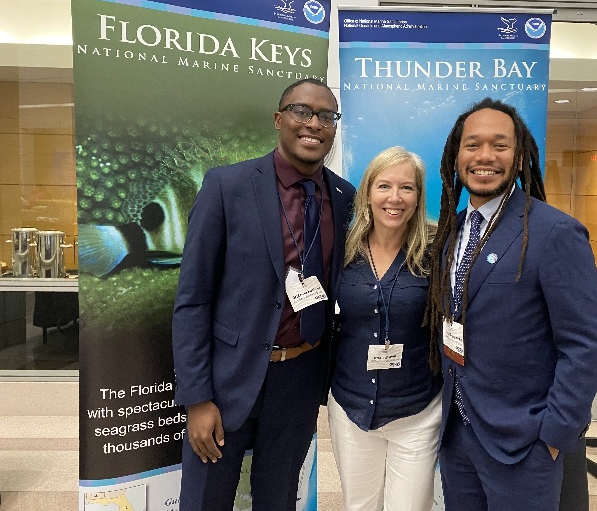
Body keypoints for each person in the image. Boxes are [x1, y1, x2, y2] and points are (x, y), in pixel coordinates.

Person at [172, 78, 355, 511]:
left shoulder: (345, 197)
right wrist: (197, 398)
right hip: (226, 379)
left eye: (326, 116)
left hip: (299, 378)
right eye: (301, 111)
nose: (313, 123)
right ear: (278, 119)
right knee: (206, 500)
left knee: (278, 499)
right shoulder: (227, 186)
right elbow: (193, 298)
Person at [425, 98, 597, 510]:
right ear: (456, 157)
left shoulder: (554, 233)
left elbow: (585, 344)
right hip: (459, 433)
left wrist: (555, 436)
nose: (485, 156)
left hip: (526, 442)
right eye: (472, 145)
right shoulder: (451, 233)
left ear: (520, 156)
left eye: (500, 145)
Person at [328, 146, 442, 511]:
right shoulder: (341, 250)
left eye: (407, 188)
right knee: (359, 506)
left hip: (417, 410)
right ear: (367, 193)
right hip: (351, 408)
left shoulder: (438, 250)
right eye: (384, 186)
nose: (395, 198)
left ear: (419, 196)